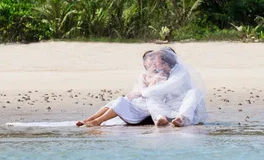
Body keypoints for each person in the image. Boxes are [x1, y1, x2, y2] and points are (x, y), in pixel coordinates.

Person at [76, 48, 207, 127]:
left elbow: (165, 88)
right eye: (152, 60)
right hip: (162, 104)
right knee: (120, 101)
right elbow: (153, 91)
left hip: (178, 104)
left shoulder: (179, 72)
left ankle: (181, 119)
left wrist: (143, 92)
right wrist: (142, 91)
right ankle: (92, 120)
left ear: (165, 62)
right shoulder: (155, 73)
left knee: (193, 93)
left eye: (156, 60)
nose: (154, 63)